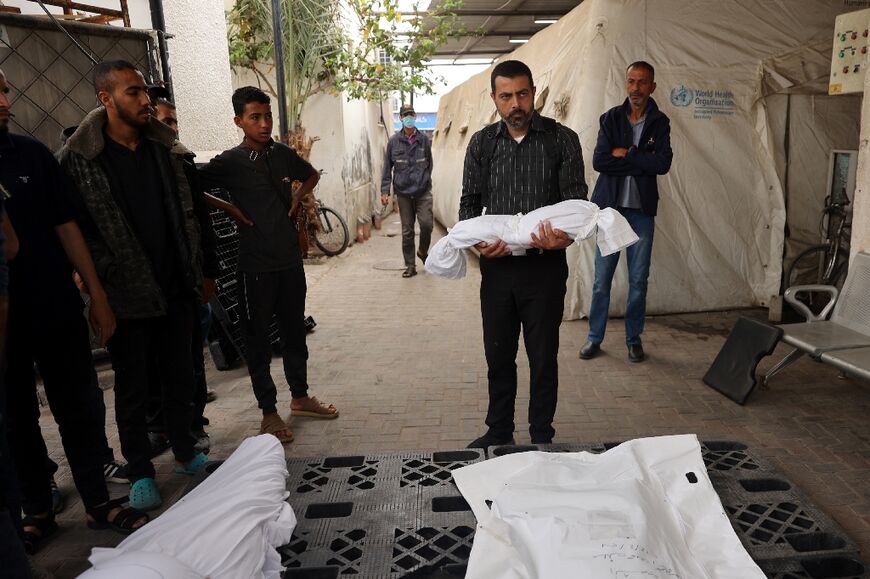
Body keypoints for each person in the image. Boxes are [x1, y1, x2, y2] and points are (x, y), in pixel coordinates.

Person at [0, 68, 149, 553]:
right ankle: (37, 509)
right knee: (16, 415)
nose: (5, 98)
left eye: (5, 87)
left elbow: (67, 228)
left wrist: (98, 298)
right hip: (5, 321)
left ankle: (97, 500)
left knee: (79, 407)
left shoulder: (31, 155)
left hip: (55, 309)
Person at [58, 60, 213, 511]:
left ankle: (185, 450)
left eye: (144, 91)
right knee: (133, 387)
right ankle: (141, 470)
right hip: (126, 293)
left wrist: (204, 271)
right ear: (105, 99)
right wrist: (99, 284)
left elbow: (192, 213)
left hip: (176, 283)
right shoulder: (78, 160)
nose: (145, 100)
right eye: (133, 92)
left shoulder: (166, 150)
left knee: (180, 376)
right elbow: (76, 232)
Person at [199, 86, 338, 445]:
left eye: (267, 116)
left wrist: (296, 195)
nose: (263, 124)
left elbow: (310, 174)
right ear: (239, 121)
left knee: (294, 334)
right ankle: (268, 412)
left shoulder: (282, 154)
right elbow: (189, 185)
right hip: (254, 267)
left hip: (289, 263)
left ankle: (301, 397)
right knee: (257, 341)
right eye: (254, 117)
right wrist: (228, 207)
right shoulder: (230, 162)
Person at [459, 60, 588, 449]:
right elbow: (468, 206)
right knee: (498, 355)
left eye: (523, 94)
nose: (516, 103)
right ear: (494, 99)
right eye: (506, 96)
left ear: (534, 92)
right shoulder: (482, 143)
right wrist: (480, 244)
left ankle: (541, 435)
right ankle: (498, 430)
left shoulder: (562, 139)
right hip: (497, 269)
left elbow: (577, 204)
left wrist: (562, 239)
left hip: (545, 269)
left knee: (543, 357)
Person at [579, 61, 673, 363]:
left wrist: (629, 153)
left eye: (642, 82)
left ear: (652, 87)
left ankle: (633, 339)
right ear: (626, 83)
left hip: (641, 213)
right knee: (601, 280)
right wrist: (643, 159)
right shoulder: (611, 119)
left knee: (638, 281)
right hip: (611, 212)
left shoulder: (660, 122)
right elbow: (599, 161)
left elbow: (663, 165)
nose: (635, 88)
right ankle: (594, 338)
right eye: (631, 81)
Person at [147, 95, 218, 457]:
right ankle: (159, 427)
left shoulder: (180, 160)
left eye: (173, 121)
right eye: (164, 120)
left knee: (191, 357)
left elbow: (201, 218)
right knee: (151, 363)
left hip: (185, 279)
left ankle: (191, 426)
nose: (171, 128)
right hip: (146, 284)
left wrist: (208, 271)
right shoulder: (131, 161)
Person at [380, 104, 434, 278]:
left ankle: (423, 251)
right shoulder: (393, 142)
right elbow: (387, 168)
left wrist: (424, 180)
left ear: (415, 116)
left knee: (427, 224)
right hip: (403, 192)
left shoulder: (424, 139)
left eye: (411, 114)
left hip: (423, 191)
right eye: (406, 115)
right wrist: (385, 191)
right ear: (401, 118)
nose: (409, 117)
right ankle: (410, 265)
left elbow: (429, 164)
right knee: (407, 230)